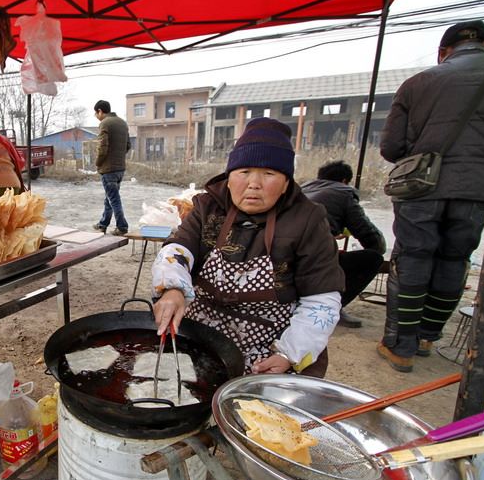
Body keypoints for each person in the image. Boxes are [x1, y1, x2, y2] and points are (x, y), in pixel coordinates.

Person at [151, 117, 344, 379]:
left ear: (286, 182)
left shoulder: (308, 220)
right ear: (229, 178)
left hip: (268, 352)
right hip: (202, 339)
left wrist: (289, 354)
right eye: (244, 172)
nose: (254, 183)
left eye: (269, 174)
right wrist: (173, 288)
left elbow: (322, 301)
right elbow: (177, 250)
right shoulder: (208, 207)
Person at [377, 20, 484, 373]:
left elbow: (392, 146)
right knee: (454, 259)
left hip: (421, 187)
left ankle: (400, 346)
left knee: (412, 259)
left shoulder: (419, 83)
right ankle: (427, 335)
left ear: (444, 51)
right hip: (479, 187)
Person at [301, 160, 387, 328]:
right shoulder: (343, 194)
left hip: (284, 261)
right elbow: (371, 237)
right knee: (372, 258)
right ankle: (330, 308)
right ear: (345, 181)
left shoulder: (302, 190)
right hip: (310, 262)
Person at [92, 100, 130, 235]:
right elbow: (128, 145)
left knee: (113, 199)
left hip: (108, 170)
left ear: (100, 111)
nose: (96, 116)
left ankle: (122, 227)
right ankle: (103, 224)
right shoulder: (122, 123)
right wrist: (118, 158)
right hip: (120, 168)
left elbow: (102, 147)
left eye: (96, 113)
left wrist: (98, 162)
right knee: (110, 197)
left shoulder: (105, 123)